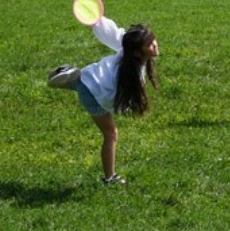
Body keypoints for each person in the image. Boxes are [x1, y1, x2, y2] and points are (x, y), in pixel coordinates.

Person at [47, 14, 159, 184]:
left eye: (153, 40)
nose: (155, 45)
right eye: (150, 44)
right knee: (111, 134)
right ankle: (110, 178)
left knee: (81, 85)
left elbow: (113, 33)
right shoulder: (132, 75)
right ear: (137, 52)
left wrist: (97, 19)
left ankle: (68, 74)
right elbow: (109, 101)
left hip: (89, 75)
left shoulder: (128, 50)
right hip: (93, 93)